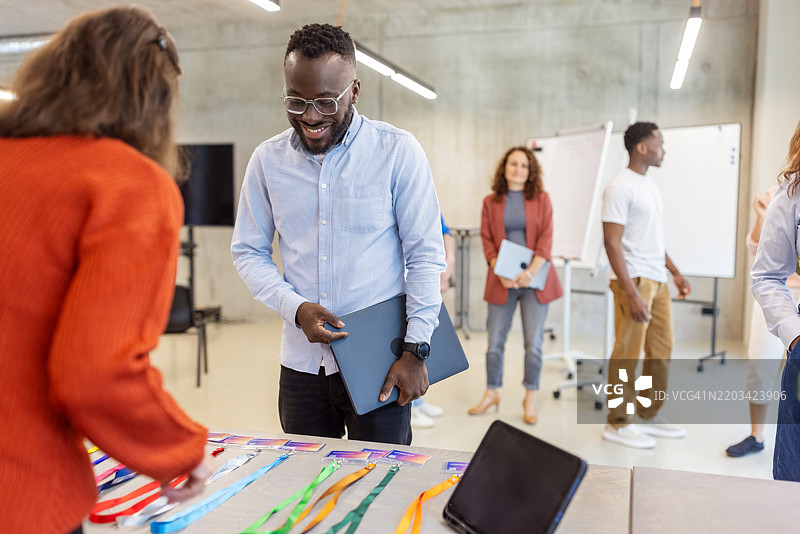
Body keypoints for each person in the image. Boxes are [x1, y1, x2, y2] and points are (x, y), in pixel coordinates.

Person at [0, 7, 213, 534]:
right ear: (153, 98)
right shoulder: (128, 184)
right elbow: (93, 372)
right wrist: (179, 449)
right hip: (22, 493)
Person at [231, 23, 445, 446]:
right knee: (306, 492)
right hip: (302, 368)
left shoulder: (397, 152)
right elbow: (248, 252)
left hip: (381, 363)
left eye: (327, 102)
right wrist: (295, 308)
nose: (311, 116)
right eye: (297, 100)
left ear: (355, 90)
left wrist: (416, 349)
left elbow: (424, 256)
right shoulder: (267, 161)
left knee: (379, 487)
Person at [601, 122, 691, 449]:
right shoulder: (619, 187)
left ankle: (648, 413)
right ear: (642, 147)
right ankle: (618, 422)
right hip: (634, 280)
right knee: (627, 353)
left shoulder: (648, 185)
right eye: (660, 143)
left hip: (657, 278)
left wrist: (676, 272)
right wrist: (631, 291)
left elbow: (652, 239)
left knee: (662, 349)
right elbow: (612, 243)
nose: (663, 149)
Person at [468, 146, 563, 424]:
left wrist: (530, 272)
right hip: (502, 280)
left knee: (533, 344)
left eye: (524, 165)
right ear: (505, 167)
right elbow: (487, 240)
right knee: (494, 343)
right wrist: (500, 271)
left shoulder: (542, 199)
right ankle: (492, 392)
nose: (518, 169)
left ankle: (530, 395)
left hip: (535, 281)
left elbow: (546, 239)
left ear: (530, 171)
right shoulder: (490, 201)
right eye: (513, 164)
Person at [727, 188, 800, 457]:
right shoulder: (786, 191)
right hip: (777, 291)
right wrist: (762, 214)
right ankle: (756, 435)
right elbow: (755, 249)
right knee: (760, 364)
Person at [751, 119, 800, 481]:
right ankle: (755, 434)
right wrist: (795, 337)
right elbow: (766, 272)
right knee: (792, 479)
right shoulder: (790, 194)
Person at [411, 214, 455, 428]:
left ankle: (418, 401)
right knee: (403, 347)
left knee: (422, 344)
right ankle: (410, 407)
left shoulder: (425, 193)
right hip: (402, 280)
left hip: (425, 279)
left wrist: (448, 265)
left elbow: (444, 231)